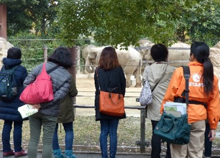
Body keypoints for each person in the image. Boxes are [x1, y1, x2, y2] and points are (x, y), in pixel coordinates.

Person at [160, 41, 220, 158]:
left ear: (192, 55)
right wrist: (213, 126)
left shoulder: (180, 72)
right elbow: (214, 103)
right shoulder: (211, 76)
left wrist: (164, 115)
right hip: (199, 118)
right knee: (196, 154)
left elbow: (169, 96)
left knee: (178, 154)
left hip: (179, 116)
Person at [24, 47, 73, 158]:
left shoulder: (41, 66)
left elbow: (26, 83)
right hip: (51, 112)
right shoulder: (67, 76)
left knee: (33, 139)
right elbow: (58, 96)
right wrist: (42, 104)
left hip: (33, 108)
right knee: (47, 142)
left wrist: (34, 101)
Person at [142, 44, 175, 158]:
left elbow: (145, 85)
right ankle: (169, 156)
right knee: (170, 133)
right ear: (166, 55)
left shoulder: (148, 69)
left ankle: (155, 155)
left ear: (152, 55)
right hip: (170, 106)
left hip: (154, 106)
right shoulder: (173, 70)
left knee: (156, 133)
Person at [94, 47, 126, 158]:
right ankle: (112, 156)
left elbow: (97, 88)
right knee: (113, 132)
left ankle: (104, 156)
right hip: (115, 103)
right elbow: (123, 88)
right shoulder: (119, 69)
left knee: (103, 131)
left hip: (102, 103)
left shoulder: (98, 70)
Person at [0, 47, 28, 157]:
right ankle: (18, 150)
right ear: (19, 56)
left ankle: (6, 150)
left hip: (3, 101)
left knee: (7, 124)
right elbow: (27, 85)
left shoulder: (3, 68)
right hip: (18, 102)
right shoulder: (21, 69)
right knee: (18, 125)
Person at [52, 75, 78, 158]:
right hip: (66, 107)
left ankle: (56, 153)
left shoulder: (48, 75)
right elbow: (74, 92)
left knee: (53, 131)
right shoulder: (68, 76)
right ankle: (69, 153)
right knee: (69, 129)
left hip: (51, 106)